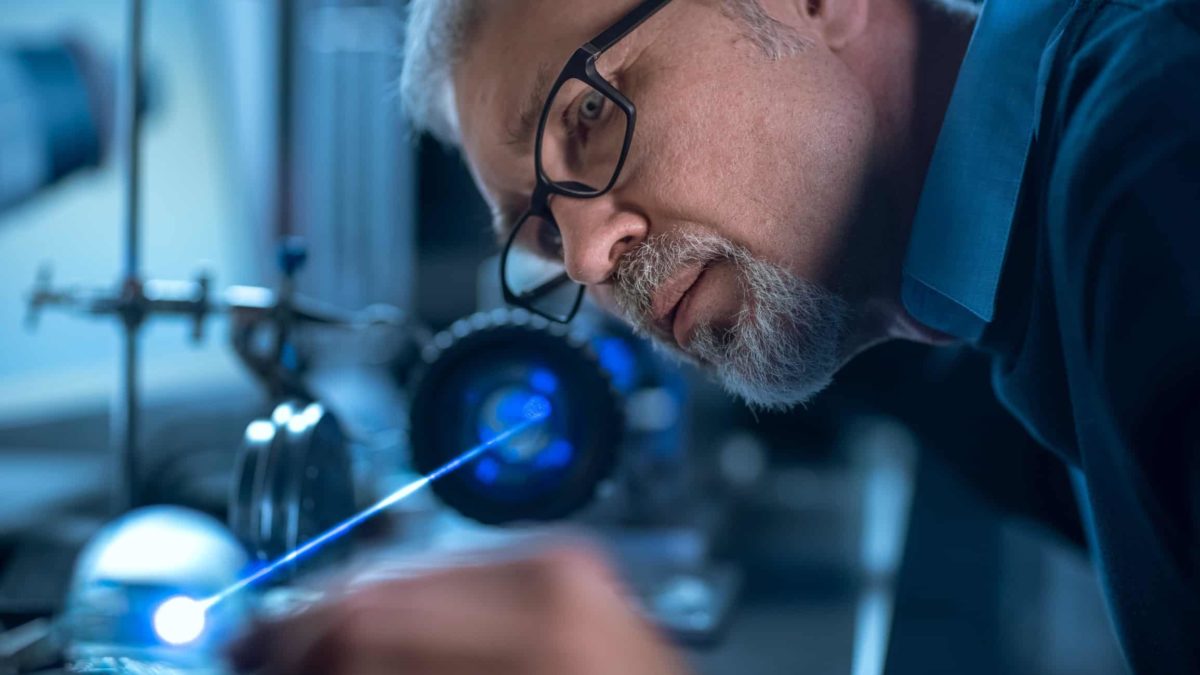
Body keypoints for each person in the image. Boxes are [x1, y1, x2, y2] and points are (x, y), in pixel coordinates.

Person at [231, 0, 1200, 672]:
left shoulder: (1158, 157)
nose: (586, 259)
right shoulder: (1017, 279)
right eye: (537, 230)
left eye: (588, 118)